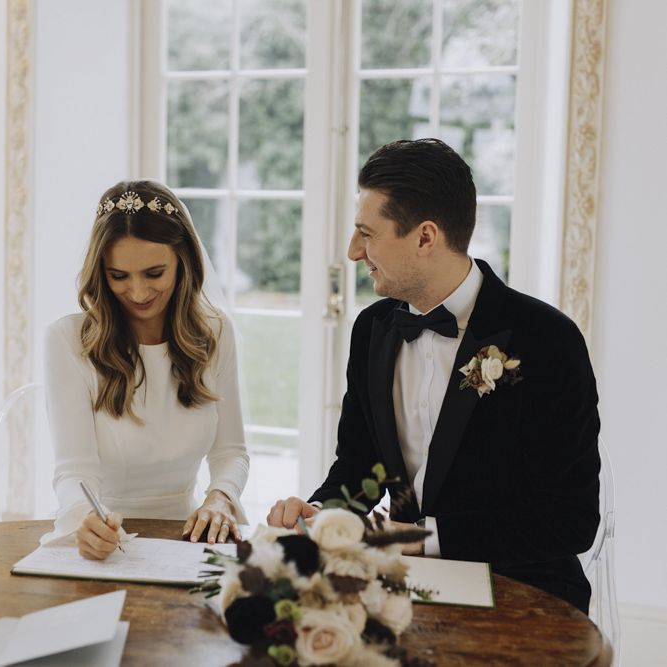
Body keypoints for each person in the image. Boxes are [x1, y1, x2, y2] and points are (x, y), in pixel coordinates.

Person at [267, 139, 600, 613]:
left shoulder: (546, 339)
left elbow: (570, 519)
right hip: (403, 593)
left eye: (367, 233)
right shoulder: (373, 329)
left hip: (523, 595)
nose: (353, 251)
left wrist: (427, 539)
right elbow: (359, 466)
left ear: (425, 237)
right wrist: (323, 515)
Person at [42, 180, 249, 559]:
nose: (137, 293)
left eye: (154, 274)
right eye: (118, 276)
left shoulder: (216, 332)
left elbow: (232, 452)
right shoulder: (67, 340)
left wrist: (221, 497)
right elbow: (74, 472)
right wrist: (85, 520)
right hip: (103, 536)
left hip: (190, 538)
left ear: (183, 262)